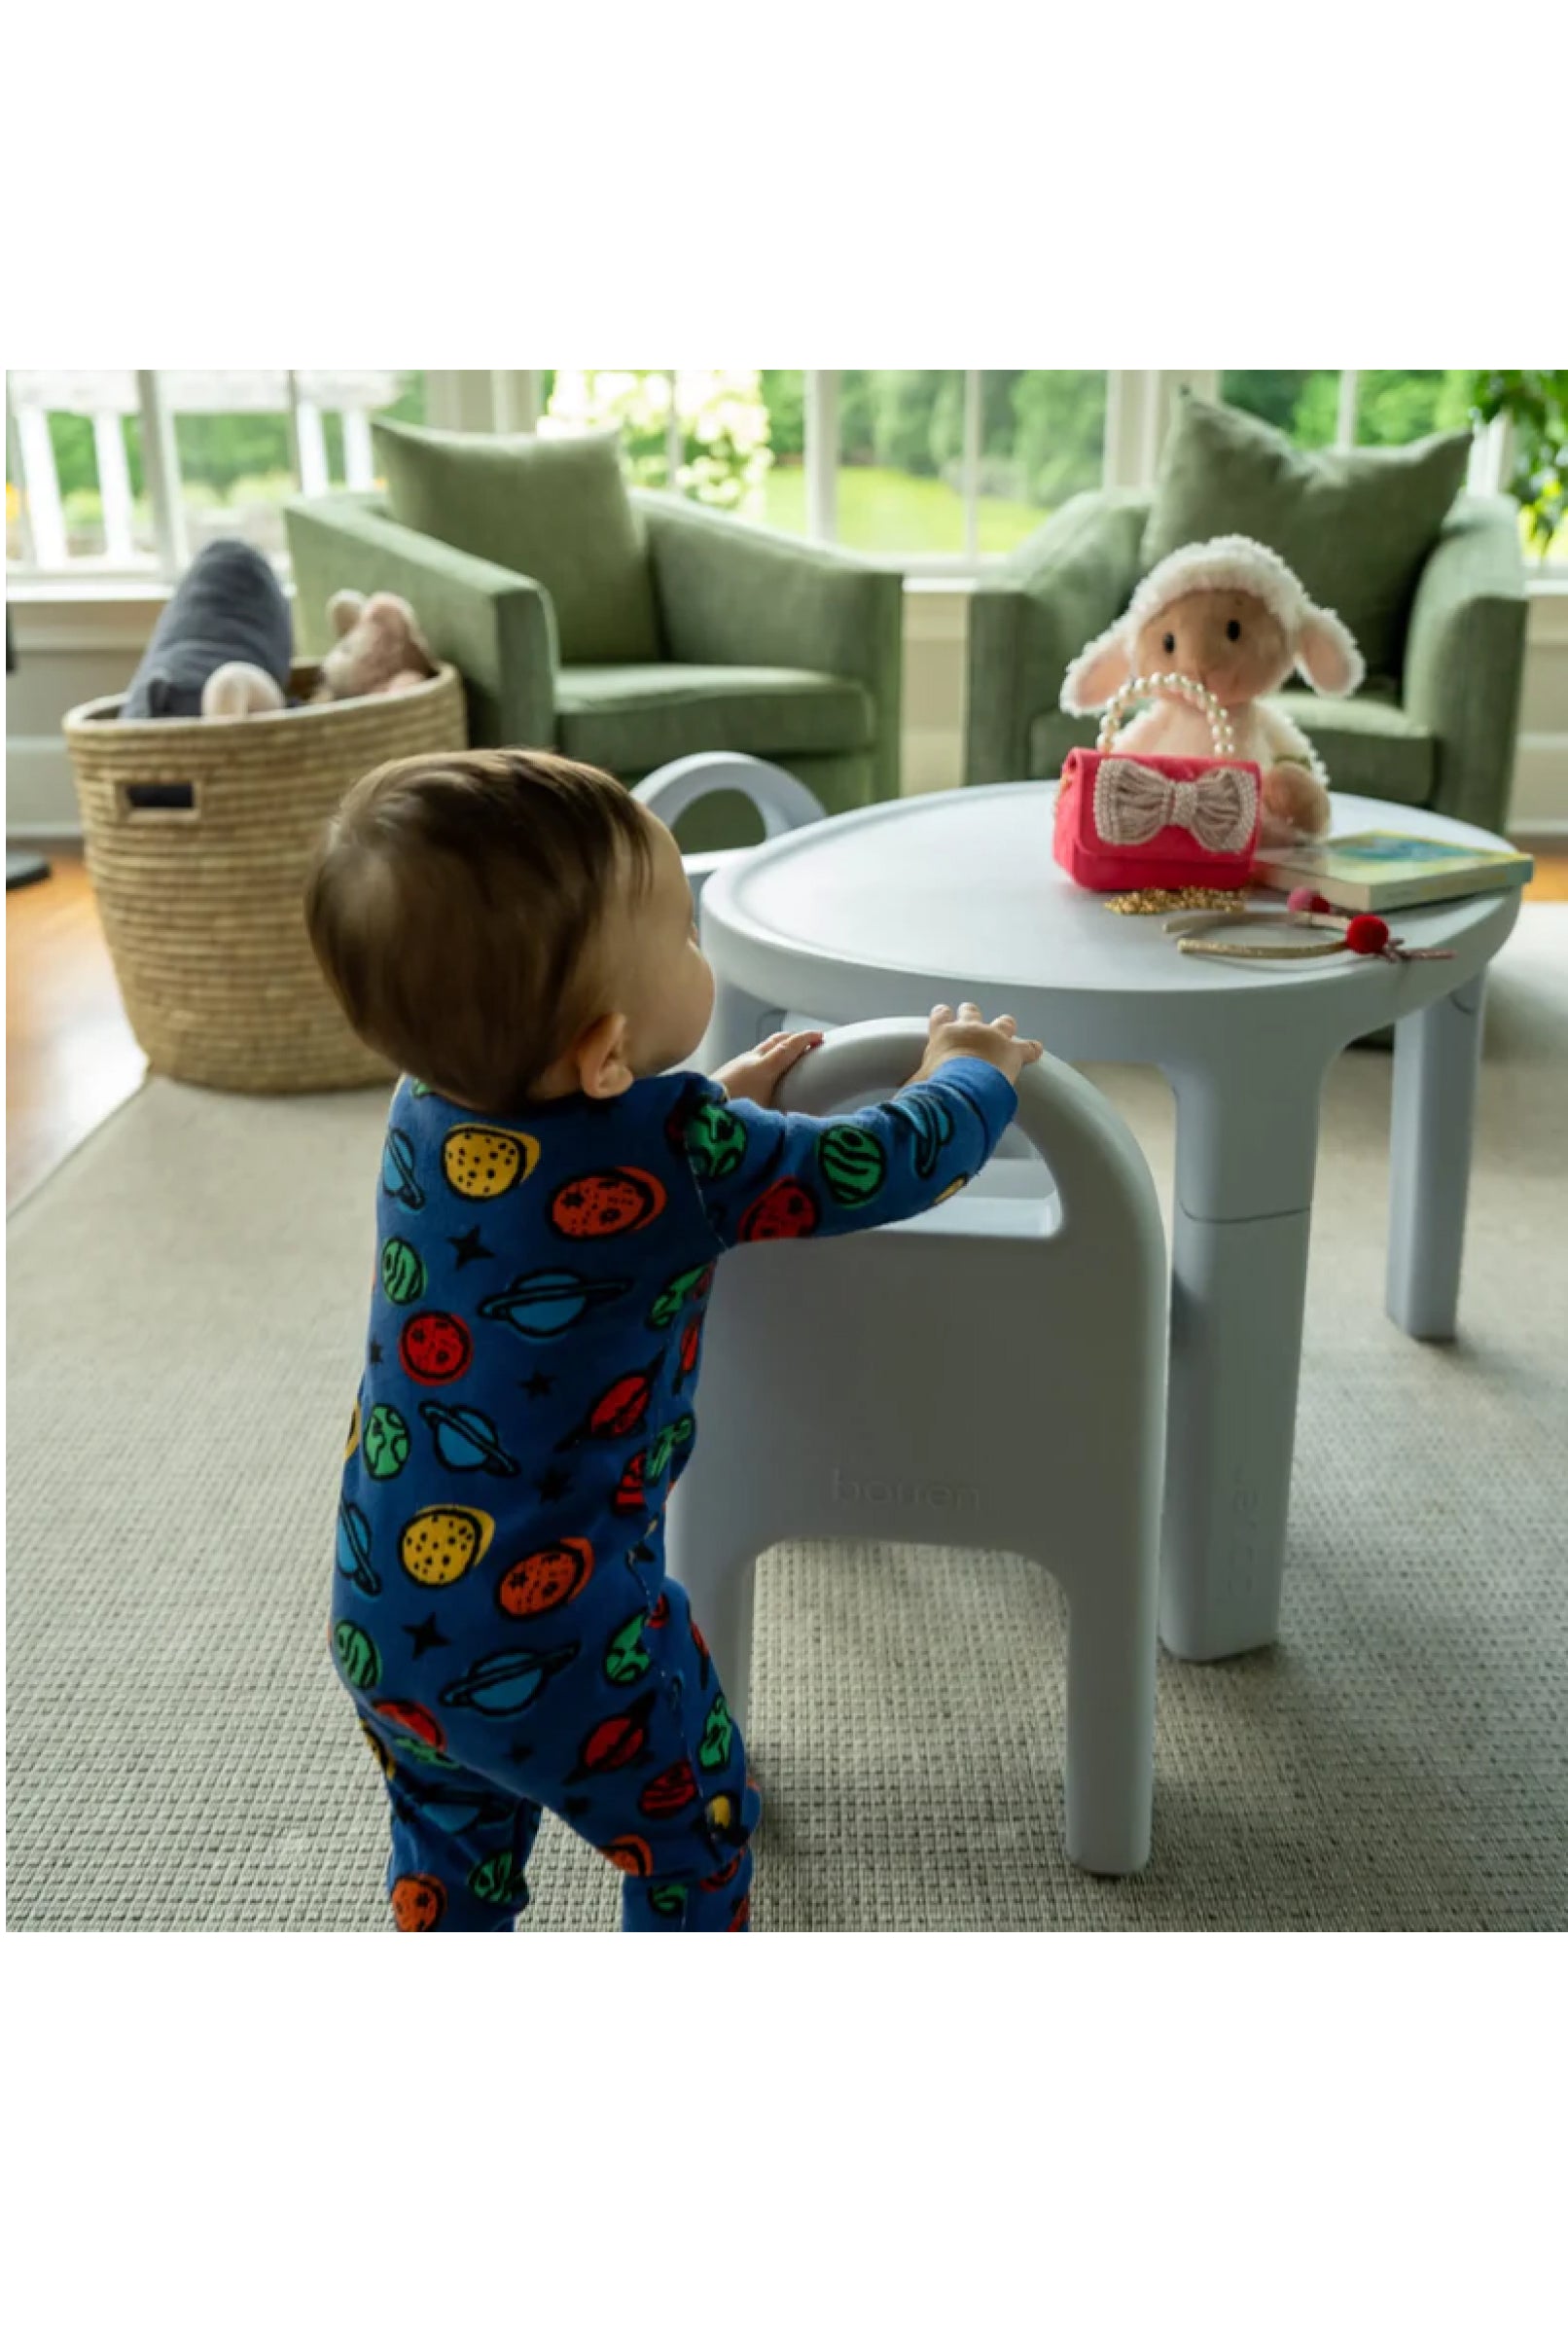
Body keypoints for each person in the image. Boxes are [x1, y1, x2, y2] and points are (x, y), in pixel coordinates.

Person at [306, 747, 1043, 1931]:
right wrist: (968, 1076)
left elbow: (589, 1155)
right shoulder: (682, 1151)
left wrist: (710, 1098)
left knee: (453, 1845)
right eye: (684, 937)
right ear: (604, 1051)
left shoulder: (422, 1105)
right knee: (694, 1834)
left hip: (384, 1618)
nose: (697, 947)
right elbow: (879, 1165)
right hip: (570, 1647)